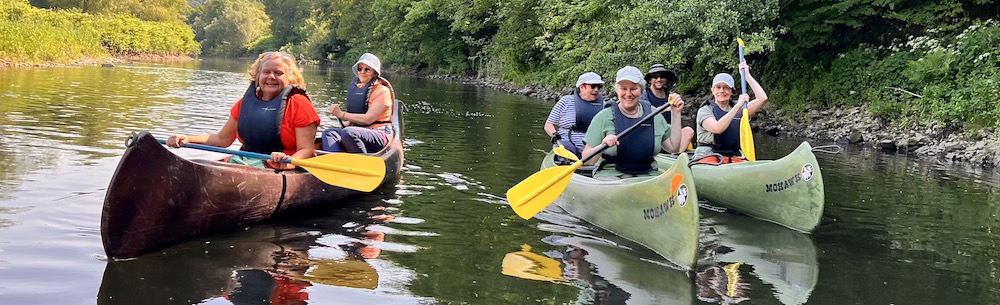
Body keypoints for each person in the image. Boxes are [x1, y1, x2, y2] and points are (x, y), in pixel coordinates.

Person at [166, 51, 320, 170]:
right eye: (266, 72)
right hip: (246, 160)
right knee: (201, 165)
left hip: (283, 165)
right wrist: (187, 138)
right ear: (258, 76)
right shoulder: (245, 103)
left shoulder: (299, 103)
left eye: (278, 73)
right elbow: (222, 139)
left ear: (290, 78)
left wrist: (287, 162)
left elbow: (306, 150)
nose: (271, 77)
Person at [581, 66, 685, 179]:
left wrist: (676, 113)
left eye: (633, 88)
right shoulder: (603, 117)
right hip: (611, 174)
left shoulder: (654, 114)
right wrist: (602, 146)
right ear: (617, 91)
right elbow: (587, 161)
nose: (628, 93)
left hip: (646, 175)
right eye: (623, 88)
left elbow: (673, 147)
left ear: (641, 90)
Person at [694, 61, 768, 162]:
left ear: (732, 92)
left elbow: (762, 98)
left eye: (726, 88)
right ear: (713, 90)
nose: (721, 91)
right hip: (708, 155)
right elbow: (717, 128)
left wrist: (747, 76)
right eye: (718, 87)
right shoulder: (705, 110)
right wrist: (738, 106)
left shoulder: (740, 110)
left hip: (733, 156)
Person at [322, 53, 395, 153]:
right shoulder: (359, 90)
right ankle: (335, 162)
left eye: (367, 69)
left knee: (349, 133)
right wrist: (342, 123)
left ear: (375, 73)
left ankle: (361, 163)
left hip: (380, 133)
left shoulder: (382, 91)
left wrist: (341, 114)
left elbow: (368, 119)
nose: (362, 72)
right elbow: (352, 121)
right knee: (329, 133)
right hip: (357, 131)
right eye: (360, 69)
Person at [543, 72, 606, 158]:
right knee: (567, 149)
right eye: (593, 86)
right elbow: (548, 125)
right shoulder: (565, 101)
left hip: (594, 150)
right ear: (582, 87)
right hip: (567, 148)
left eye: (599, 87)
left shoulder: (604, 106)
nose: (596, 90)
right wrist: (554, 135)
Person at [641, 64, 694, 153]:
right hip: (652, 133)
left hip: (669, 134)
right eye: (655, 77)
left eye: (662, 77)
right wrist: (666, 108)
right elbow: (645, 115)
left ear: (666, 80)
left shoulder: (670, 95)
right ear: (650, 80)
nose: (659, 79)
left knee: (689, 131)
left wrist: (677, 107)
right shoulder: (644, 96)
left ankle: (676, 155)